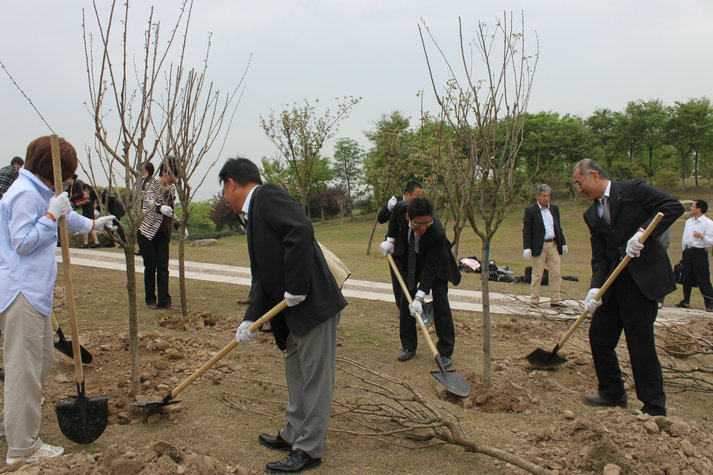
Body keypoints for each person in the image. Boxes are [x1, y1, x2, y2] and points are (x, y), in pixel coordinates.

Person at [221, 157, 346, 473]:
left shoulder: (267, 195)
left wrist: (296, 285)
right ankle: (293, 433)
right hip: (292, 312)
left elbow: (301, 229)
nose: (224, 197)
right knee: (296, 373)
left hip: (313, 304)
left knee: (316, 379)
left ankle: (310, 449)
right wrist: (251, 318)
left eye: (223, 189)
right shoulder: (252, 217)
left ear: (232, 183)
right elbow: (262, 275)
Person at [0, 136, 115, 465]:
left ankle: (18, 427)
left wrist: (93, 223)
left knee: (41, 362)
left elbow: (65, 215)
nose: (69, 179)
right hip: (21, 293)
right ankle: (22, 449)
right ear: (53, 168)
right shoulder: (24, 194)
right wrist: (50, 217)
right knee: (24, 372)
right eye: (67, 172)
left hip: (33, 294)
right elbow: (23, 242)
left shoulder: (41, 191)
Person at [573, 158, 683, 417]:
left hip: (641, 282)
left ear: (595, 176)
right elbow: (600, 256)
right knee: (599, 336)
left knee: (639, 342)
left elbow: (672, 206)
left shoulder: (633, 190)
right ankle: (612, 392)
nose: (579, 190)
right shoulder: (591, 214)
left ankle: (654, 406)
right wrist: (594, 289)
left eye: (580, 183)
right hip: (614, 282)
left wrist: (643, 234)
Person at [380, 196, 461, 367]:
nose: (423, 228)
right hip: (411, 258)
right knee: (405, 298)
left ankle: (445, 351)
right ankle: (408, 346)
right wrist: (390, 240)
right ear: (408, 217)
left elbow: (431, 268)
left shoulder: (437, 231)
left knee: (440, 301)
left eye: (427, 223)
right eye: (418, 224)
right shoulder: (401, 209)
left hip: (437, 263)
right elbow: (393, 218)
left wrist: (420, 297)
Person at [138, 157, 183, 311]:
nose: (175, 180)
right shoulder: (151, 185)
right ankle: (150, 299)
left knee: (163, 266)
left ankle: (165, 300)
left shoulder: (171, 189)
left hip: (163, 232)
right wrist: (159, 208)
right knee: (150, 266)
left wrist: (179, 225)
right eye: (174, 176)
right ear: (165, 172)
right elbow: (148, 202)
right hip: (148, 232)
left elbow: (171, 211)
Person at [377, 181, 424, 309]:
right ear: (407, 193)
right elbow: (380, 219)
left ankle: (415, 303)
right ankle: (401, 306)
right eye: (416, 196)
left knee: (413, 276)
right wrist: (388, 208)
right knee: (398, 279)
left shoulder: (419, 206)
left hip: (412, 247)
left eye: (421, 196)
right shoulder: (395, 202)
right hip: (395, 248)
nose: (419, 199)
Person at [522, 184, 568, 308]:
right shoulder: (531, 210)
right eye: (544, 196)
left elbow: (558, 227)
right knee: (537, 275)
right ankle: (534, 300)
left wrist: (562, 242)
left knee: (556, 274)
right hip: (539, 245)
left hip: (553, 244)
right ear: (537, 196)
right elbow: (527, 230)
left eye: (548, 196)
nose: (546, 199)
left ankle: (555, 300)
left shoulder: (554, 209)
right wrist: (527, 247)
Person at [675, 199, 713, 312]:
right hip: (688, 252)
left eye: (693, 206)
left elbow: (710, 241)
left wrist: (702, 236)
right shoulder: (689, 221)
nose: (691, 208)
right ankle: (685, 301)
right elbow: (685, 237)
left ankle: (710, 302)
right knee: (686, 277)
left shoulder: (708, 223)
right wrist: (684, 251)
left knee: (703, 277)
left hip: (699, 252)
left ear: (699, 209)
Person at [68, 175, 101, 248]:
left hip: (88, 206)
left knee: (85, 225)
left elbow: (80, 194)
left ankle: (86, 243)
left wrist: (71, 199)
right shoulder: (73, 185)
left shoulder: (76, 183)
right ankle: (96, 242)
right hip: (86, 206)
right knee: (89, 225)